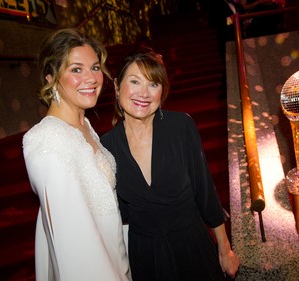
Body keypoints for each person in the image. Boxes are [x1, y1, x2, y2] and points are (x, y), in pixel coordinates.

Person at [100, 47, 240, 281]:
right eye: (135, 82)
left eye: (153, 84)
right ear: (116, 86)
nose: (143, 93)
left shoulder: (181, 126)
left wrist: (224, 250)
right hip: (145, 255)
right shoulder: (107, 146)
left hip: (192, 245)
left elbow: (205, 193)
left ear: (162, 91)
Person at [22, 28, 132, 281]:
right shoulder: (46, 140)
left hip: (115, 258)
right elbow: (71, 245)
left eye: (95, 67)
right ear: (50, 78)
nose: (91, 78)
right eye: (76, 69)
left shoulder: (85, 127)